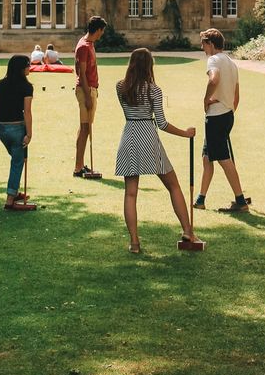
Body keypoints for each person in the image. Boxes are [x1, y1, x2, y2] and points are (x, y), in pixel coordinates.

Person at [116, 48, 204, 253]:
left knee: (130, 193)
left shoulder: (120, 87)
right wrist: (185, 133)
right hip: (147, 135)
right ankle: (187, 231)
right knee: (173, 185)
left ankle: (135, 243)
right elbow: (162, 123)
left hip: (129, 135)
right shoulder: (154, 90)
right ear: (149, 66)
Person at [193, 28, 249, 212]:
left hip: (217, 116)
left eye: (203, 43)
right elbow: (237, 96)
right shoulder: (231, 63)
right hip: (226, 115)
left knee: (224, 159)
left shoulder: (214, 60)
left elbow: (214, 80)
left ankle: (240, 202)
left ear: (210, 43)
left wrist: (205, 99)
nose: (202, 47)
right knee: (207, 158)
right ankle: (200, 200)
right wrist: (229, 110)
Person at [0, 54, 36, 211]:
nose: (29, 68)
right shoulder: (27, 86)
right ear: (21, 68)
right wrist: (29, 134)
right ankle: (10, 200)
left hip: (2, 128)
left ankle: (14, 190)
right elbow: (27, 112)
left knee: (16, 158)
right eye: (27, 65)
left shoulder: (0, 84)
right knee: (18, 162)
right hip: (16, 128)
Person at [73, 15, 107, 178]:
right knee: (85, 127)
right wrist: (87, 96)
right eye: (102, 31)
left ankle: (79, 166)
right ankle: (78, 168)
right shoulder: (84, 47)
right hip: (85, 90)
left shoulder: (89, 44)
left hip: (91, 89)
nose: (102, 35)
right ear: (98, 30)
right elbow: (82, 73)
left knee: (85, 128)